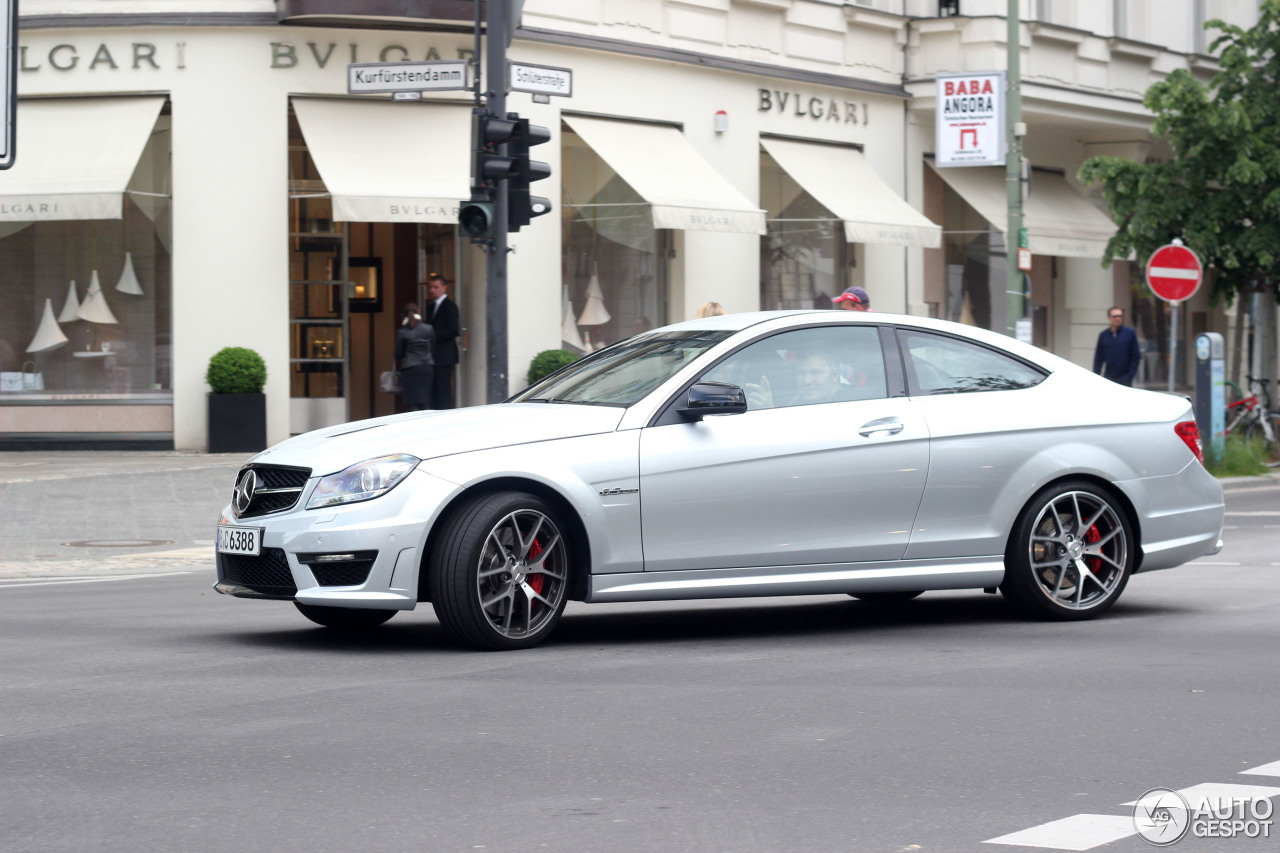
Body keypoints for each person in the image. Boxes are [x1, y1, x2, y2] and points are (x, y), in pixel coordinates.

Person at [425, 274, 461, 408]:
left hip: (445, 355)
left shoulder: (450, 306)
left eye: (436, 287)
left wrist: (432, 334)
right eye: (431, 287)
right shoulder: (430, 307)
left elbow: (454, 330)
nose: (432, 290)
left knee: (443, 389)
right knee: (433, 390)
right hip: (433, 355)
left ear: (444, 288)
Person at [394, 302, 434, 411]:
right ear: (419, 312)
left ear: (403, 315)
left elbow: (398, 353)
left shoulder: (402, 332)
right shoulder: (429, 328)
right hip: (427, 367)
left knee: (412, 403)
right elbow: (433, 347)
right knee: (425, 401)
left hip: (410, 368)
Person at [1092, 306, 1141, 386]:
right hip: (1108, 376)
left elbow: (1135, 356)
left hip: (1125, 377)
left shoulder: (1129, 333)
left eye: (1120, 316)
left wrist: (1130, 375)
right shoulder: (1103, 335)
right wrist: (1096, 375)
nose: (1118, 318)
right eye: (1115, 316)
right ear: (1109, 318)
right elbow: (1099, 357)